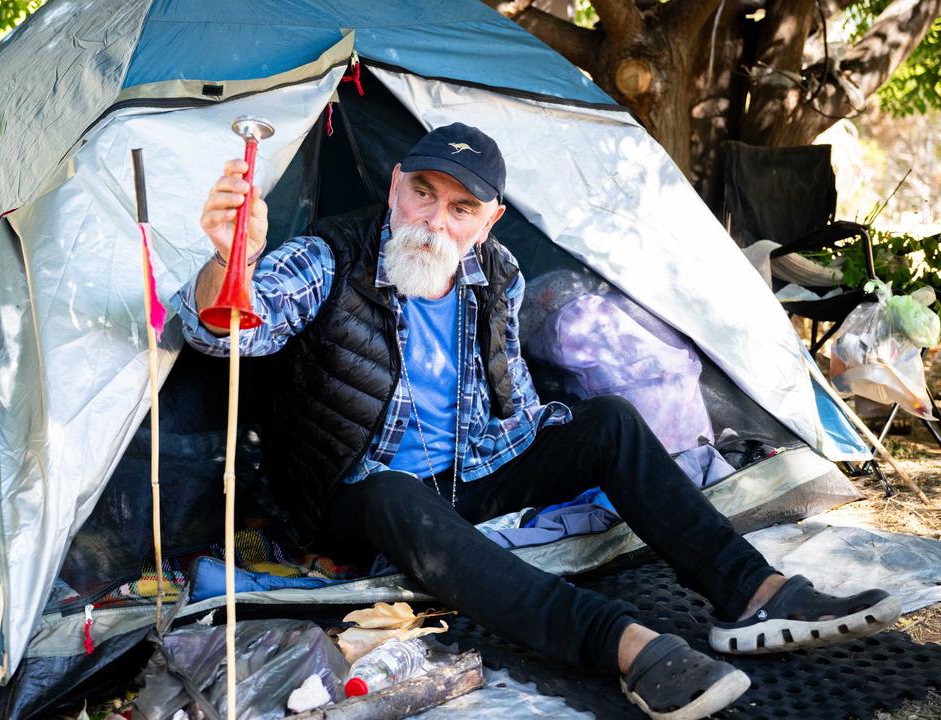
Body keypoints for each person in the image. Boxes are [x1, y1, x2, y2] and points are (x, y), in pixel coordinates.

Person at [178, 123, 901, 719]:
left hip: (472, 474)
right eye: (422, 193)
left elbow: (516, 403)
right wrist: (228, 261)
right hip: (362, 497)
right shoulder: (328, 258)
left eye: (461, 209)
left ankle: (752, 593)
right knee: (397, 491)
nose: (433, 220)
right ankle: (617, 642)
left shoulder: (497, 273)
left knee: (609, 421)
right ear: (395, 183)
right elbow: (227, 328)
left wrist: (582, 447)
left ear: (489, 221)